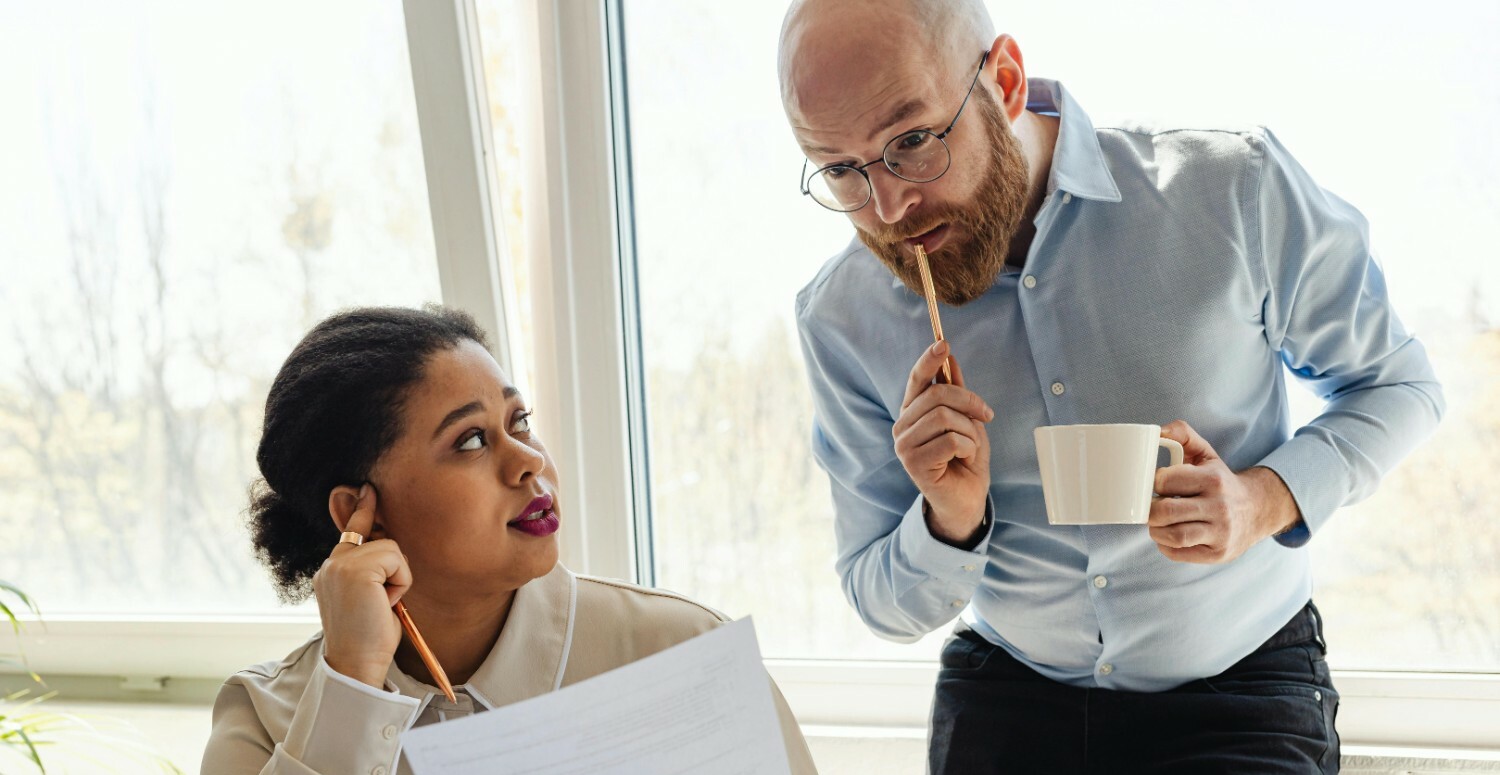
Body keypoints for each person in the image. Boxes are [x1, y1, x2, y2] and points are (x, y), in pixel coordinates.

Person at [778, 0, 1443, 772]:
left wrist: (1261, 499)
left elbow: (1400, 385)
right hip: (1010, 692)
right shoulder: (842, 318)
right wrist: (948, 521)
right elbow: (877, 598)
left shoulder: (1232, 190)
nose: (889, 209)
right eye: (840, 170)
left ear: (1006, 80)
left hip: (1239, 690)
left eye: (914, 142)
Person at [201, 306, 817, 774]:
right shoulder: (263, 716)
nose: (527, 461)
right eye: (470, 440)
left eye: (518, 421)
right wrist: (352, 684)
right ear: (362, 512)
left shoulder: (681, 650)